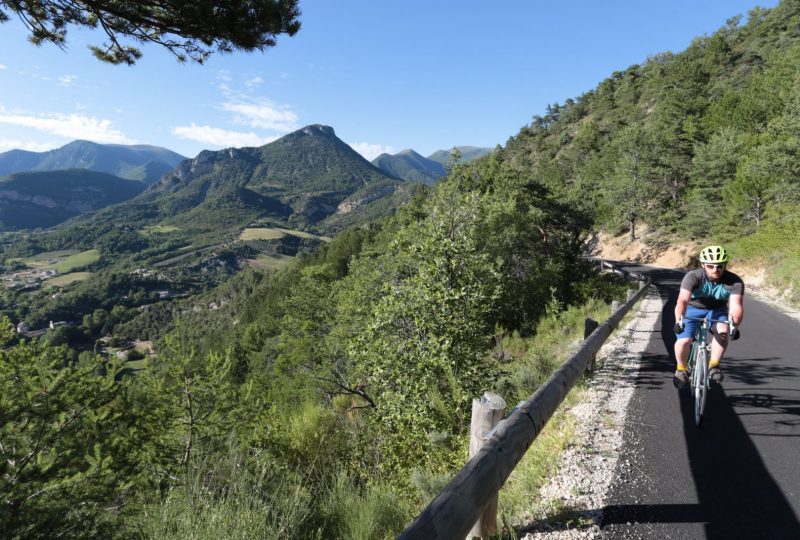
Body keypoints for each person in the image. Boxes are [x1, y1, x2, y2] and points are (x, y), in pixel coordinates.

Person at [673, 245, 744, 389]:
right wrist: (678, 321)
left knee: (723, 331)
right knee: (684, 341)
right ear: (703, 265)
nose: (715, 270)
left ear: (725, 265)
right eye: (710, 266)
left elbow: (736, 306)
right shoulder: (693, 276)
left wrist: (734, 326)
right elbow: (682, 301)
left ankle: (714, 365)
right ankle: (681, 369)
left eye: (719, 266)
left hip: (717, 310)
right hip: (693, 309)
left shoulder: (735, 281)